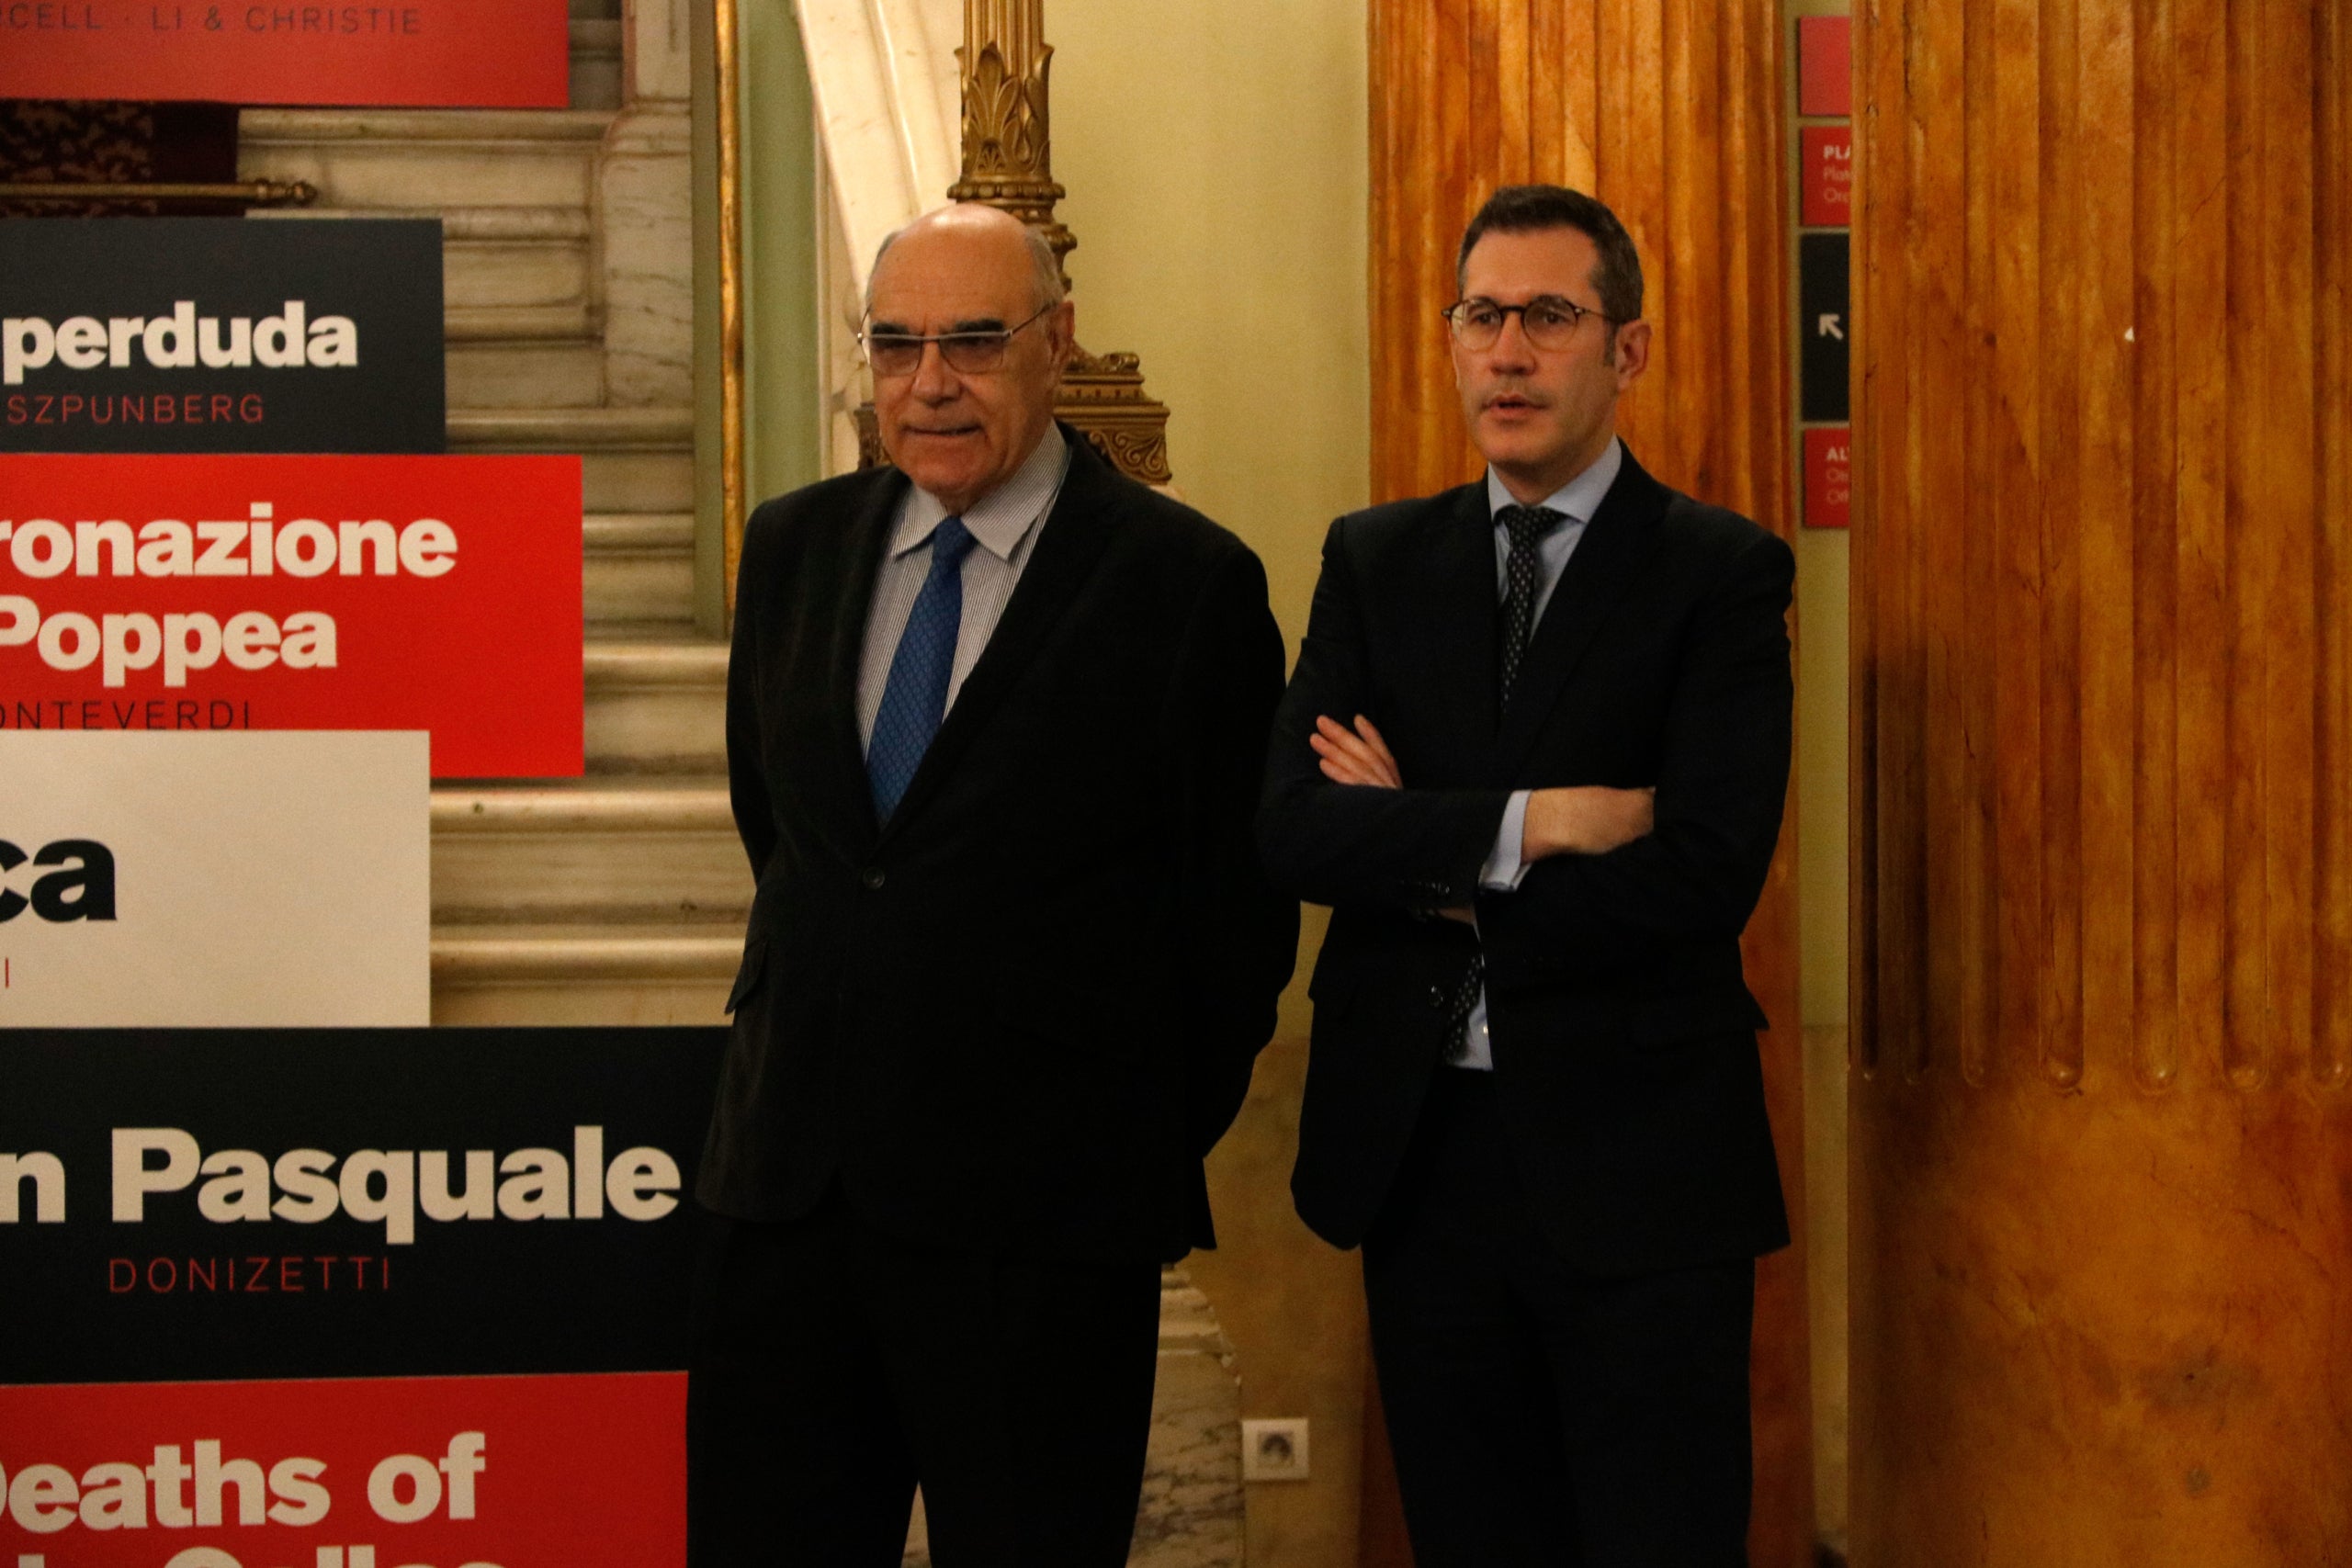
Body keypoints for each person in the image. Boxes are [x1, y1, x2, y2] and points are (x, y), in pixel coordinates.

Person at [692, 202, 1296, 1567]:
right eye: (897, 345)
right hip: (790, 1203)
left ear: (1056, 342)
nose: (930, 383)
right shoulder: (792, 549)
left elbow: (1234, 929)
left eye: (973, 340)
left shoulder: (1182, 586)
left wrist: (1109, 1146)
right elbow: (793, 844)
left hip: (1043, 1238)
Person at [1258, 184, 1794, 1565]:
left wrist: (1424, 842)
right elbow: (1297, 829)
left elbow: (1698, 881)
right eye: (1482, 316)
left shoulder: (1717, 576)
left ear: (1628, 352)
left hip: (1641, 1171)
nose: (1507, 353)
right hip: (1422, 1157)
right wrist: (1532, 823)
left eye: (1549, 318)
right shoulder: (1375, 562)